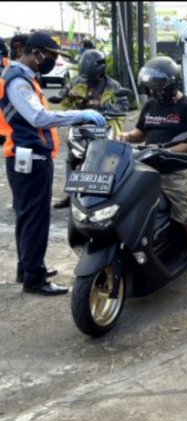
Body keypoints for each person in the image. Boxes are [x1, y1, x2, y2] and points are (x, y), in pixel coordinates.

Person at [0, 32, 105, 295]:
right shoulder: (17, 80)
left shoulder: (22, 77)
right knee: (35, 219)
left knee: (27, 217)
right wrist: (80, 114)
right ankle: (34, 279)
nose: (50, 61)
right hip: (30, 159)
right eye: (50, 56)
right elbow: (38, 117)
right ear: (35, 53)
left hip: (25, 157)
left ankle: (28, 267)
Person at [118, 56, 187, 303]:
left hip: (177, 172)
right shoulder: (150, 106)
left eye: (158, 86)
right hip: (146, 167)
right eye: (150, 87)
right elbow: (142, 132)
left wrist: (168, 151)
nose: (154, 91)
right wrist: (126, 136)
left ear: (171, 83)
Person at [53, 48, 129, 209]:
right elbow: (64, 101)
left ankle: (108, 194)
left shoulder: (113, 86)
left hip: (105, 127)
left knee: (108, 161)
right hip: (80, 128)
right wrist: (67, 99)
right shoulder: (77, 82)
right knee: (72, 159)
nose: (87, 81)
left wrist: (101, 105)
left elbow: (124, 106)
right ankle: (70, 194)